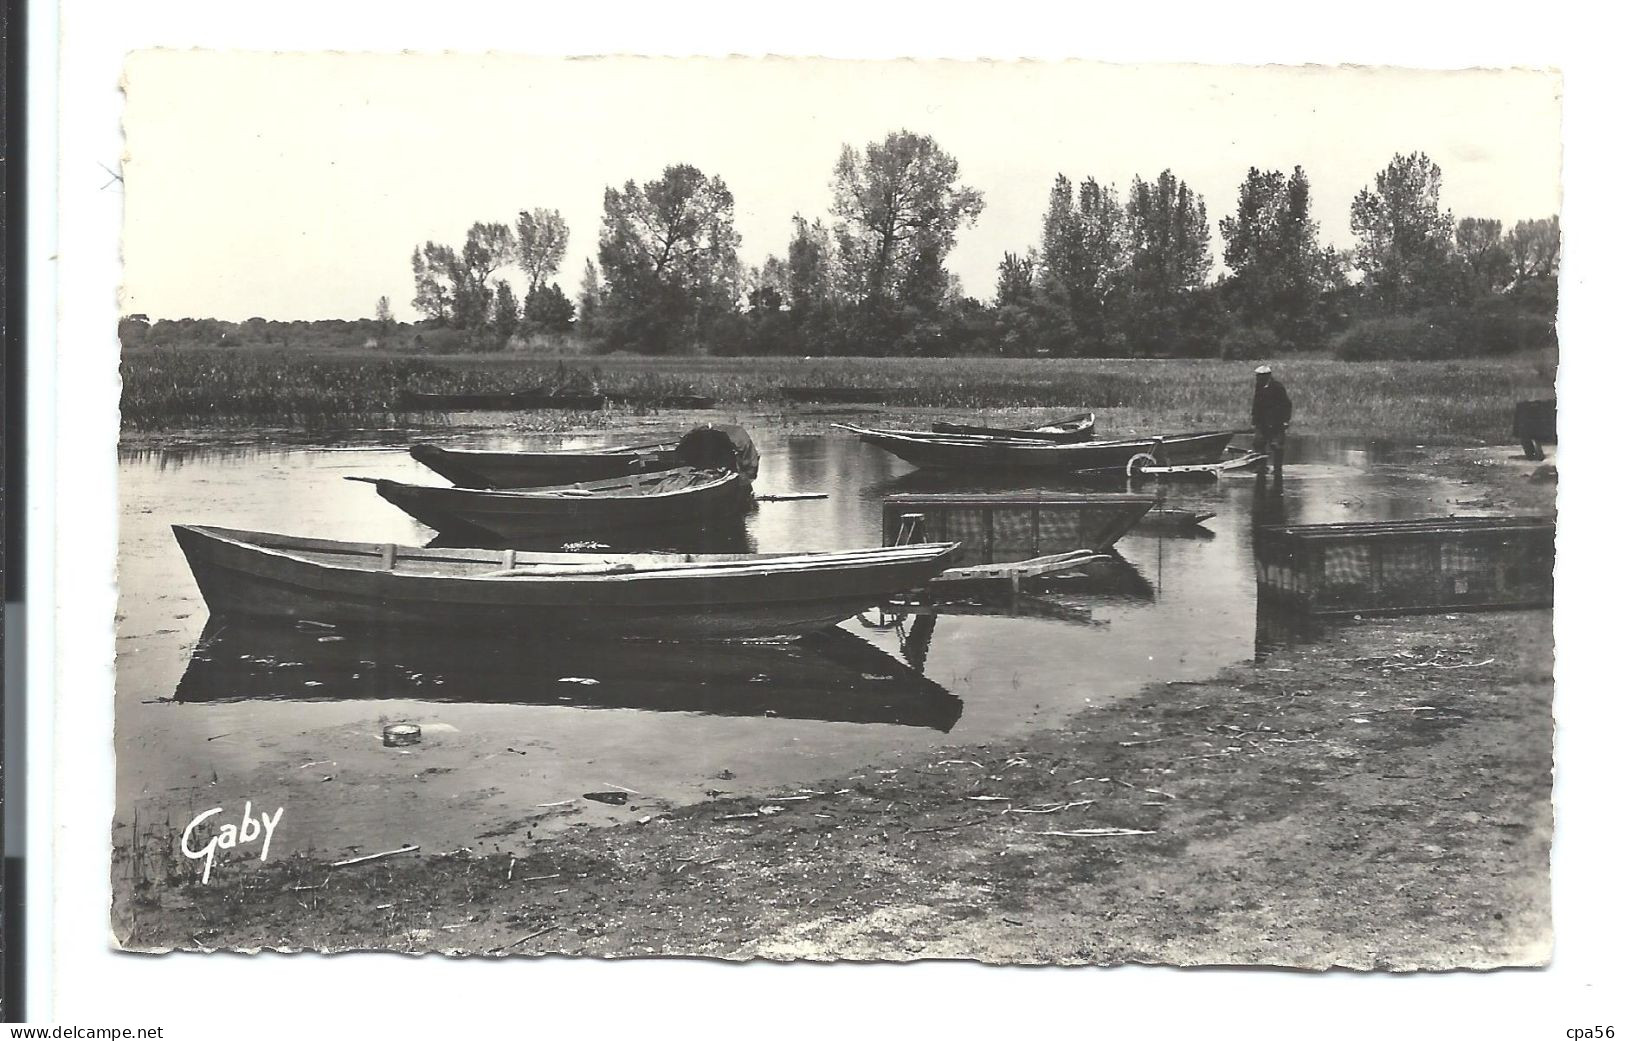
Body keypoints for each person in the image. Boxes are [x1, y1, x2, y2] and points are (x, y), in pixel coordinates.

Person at [1251, 364, 1292, 479]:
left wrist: (1285, 420)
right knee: (1258, 444)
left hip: (1276, 422)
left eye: (1260, 376)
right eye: (1257, 376)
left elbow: (1287, 404)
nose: (1258, 378)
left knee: (1277, 446)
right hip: (1262, 422)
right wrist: (1254, 419)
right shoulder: (1259, 387)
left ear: (1267, 376)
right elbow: (1256, 404)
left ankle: (1277, 469)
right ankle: (1261, 467)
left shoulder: (1277, 387)